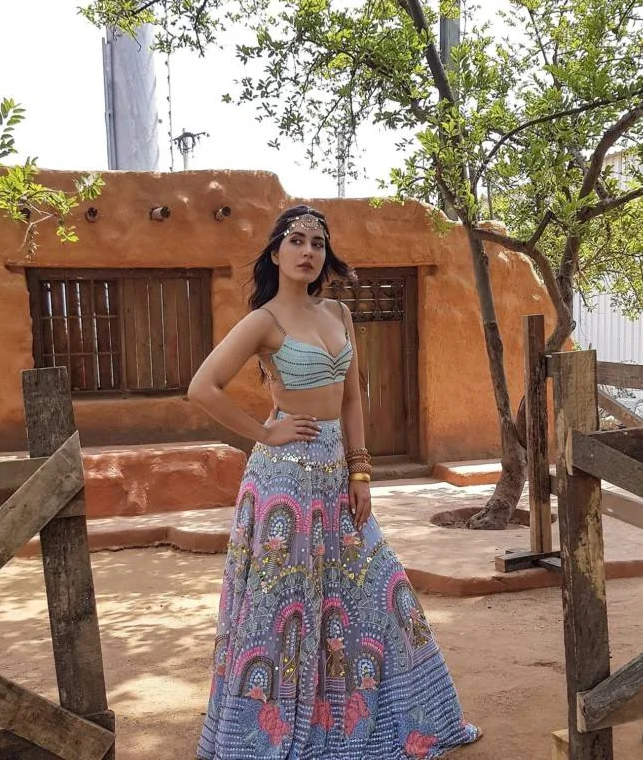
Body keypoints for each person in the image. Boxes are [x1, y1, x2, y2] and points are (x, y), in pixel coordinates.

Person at [189, 205, 482, 760]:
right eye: (296, 241)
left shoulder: (339, 313)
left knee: (379, 590)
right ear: (275, 252)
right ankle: (269, 732)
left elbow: (352, 398)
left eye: (317, 243)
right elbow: (202, 387)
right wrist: (265, 433)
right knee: (283, 605)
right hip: (284, 481)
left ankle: (388, 719)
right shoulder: (264, 321)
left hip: (337, 473)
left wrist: (361, 470)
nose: (308, 252)